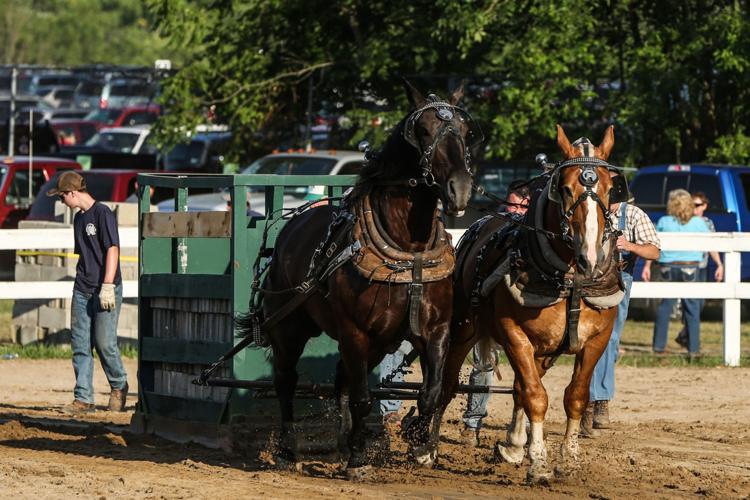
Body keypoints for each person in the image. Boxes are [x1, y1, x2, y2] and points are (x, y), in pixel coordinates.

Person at [581, 171, 660, 437]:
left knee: (609, 340)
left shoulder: (634, 215)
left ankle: (598, 400)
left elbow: (655, 250)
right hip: (588, 276)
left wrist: (631, 246)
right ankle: (589, 398)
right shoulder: (590, 206)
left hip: (619, 277)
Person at [47, 171, 129, 414]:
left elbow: (112, 250)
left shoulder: (102, 213)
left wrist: (107, 285)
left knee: (104, 343)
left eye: (63, 197)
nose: (63, 202)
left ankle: (119, 385)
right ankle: (83, 397)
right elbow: (85, 255)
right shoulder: (79, 220)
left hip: (104, 287)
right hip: (83, 288)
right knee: (81, 343)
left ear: (73, 192)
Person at [460, 180, 531, 446]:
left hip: (522, 311)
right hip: (489, 307)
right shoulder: (493, 229)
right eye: (513, 204)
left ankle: (518, 425)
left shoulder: (533, 234)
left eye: (522, 206)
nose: (517, 210)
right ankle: (472, 423)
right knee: (483, 363)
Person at [646, 189, 711, 358]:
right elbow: (710, 243)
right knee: (692, 307)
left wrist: (647, 266)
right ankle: (694, 348)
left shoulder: (664, 221)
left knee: (665, 306)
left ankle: (659, 347)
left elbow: (653, 244)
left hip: (668, 266)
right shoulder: (699, 223)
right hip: (691, 267)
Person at [675, 192, 723, 348]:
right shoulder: (684, 220)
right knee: (691, 304)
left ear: (704, 206)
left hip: (702, 267)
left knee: (699, 304)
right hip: (689, 267)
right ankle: (691, 341)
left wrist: (719, 264)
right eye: (692, 204)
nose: (694, 208)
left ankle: (685, 335)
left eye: (697, 205)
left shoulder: (708, 223)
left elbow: (712, 246)